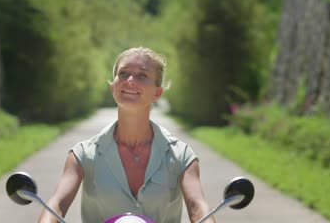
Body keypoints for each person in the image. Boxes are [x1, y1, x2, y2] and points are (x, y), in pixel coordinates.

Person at [38, 47, 215, 223]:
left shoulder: (182, 156)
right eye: (123, 74)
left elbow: (198, 208)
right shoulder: (83, 155)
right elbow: (56, 205)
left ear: (157, 93)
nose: (130, 80)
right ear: (113, 87)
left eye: (142, 75)